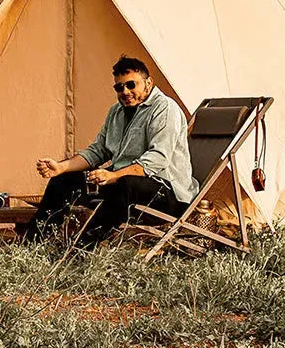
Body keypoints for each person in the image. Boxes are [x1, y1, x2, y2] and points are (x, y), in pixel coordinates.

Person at [32, 55, 198, 243]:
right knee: (63, 181)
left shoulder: (165, 108)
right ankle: (33, 244)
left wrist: (113, 176)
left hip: (167, 192)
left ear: (148, 83)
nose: (125, 91)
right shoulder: (116, 111)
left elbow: (158, 159)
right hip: (123, 183)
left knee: (124, 184)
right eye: (119, 87)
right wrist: (62, 167)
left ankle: (82, 247)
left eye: (131, 85)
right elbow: (99, 150)